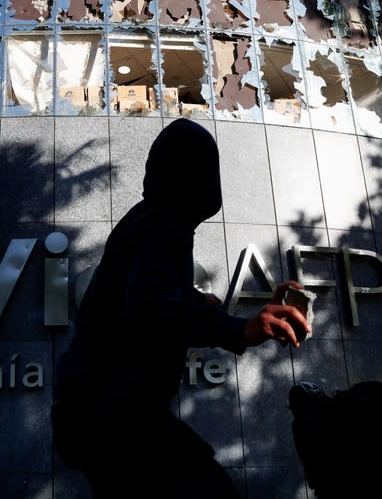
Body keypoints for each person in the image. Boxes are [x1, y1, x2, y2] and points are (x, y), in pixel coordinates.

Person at [52, 118, 311, 499]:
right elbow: (151, 307)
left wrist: (195, 301)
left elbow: (146, 295)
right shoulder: (164, 223)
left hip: (99, 415)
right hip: (115, 417)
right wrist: (237, 329)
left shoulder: (147, 221)